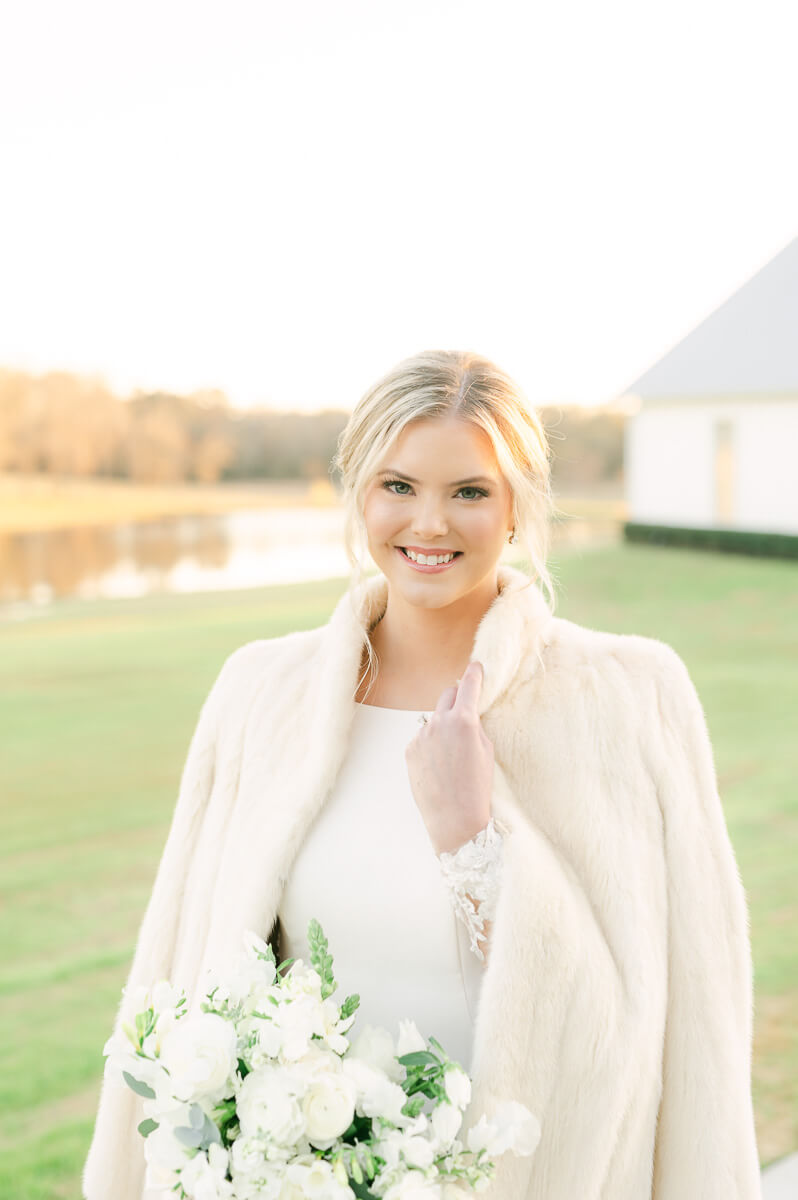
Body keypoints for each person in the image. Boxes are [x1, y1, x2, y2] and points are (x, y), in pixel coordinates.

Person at [83, 350, 762, 1200]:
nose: (429, 524)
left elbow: (686, 1030)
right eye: (398, 486)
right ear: (359, 494)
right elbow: (173, 977)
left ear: (517, 508)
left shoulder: (630, 702)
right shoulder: (258, 695)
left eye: (469, 492)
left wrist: (470, 837)